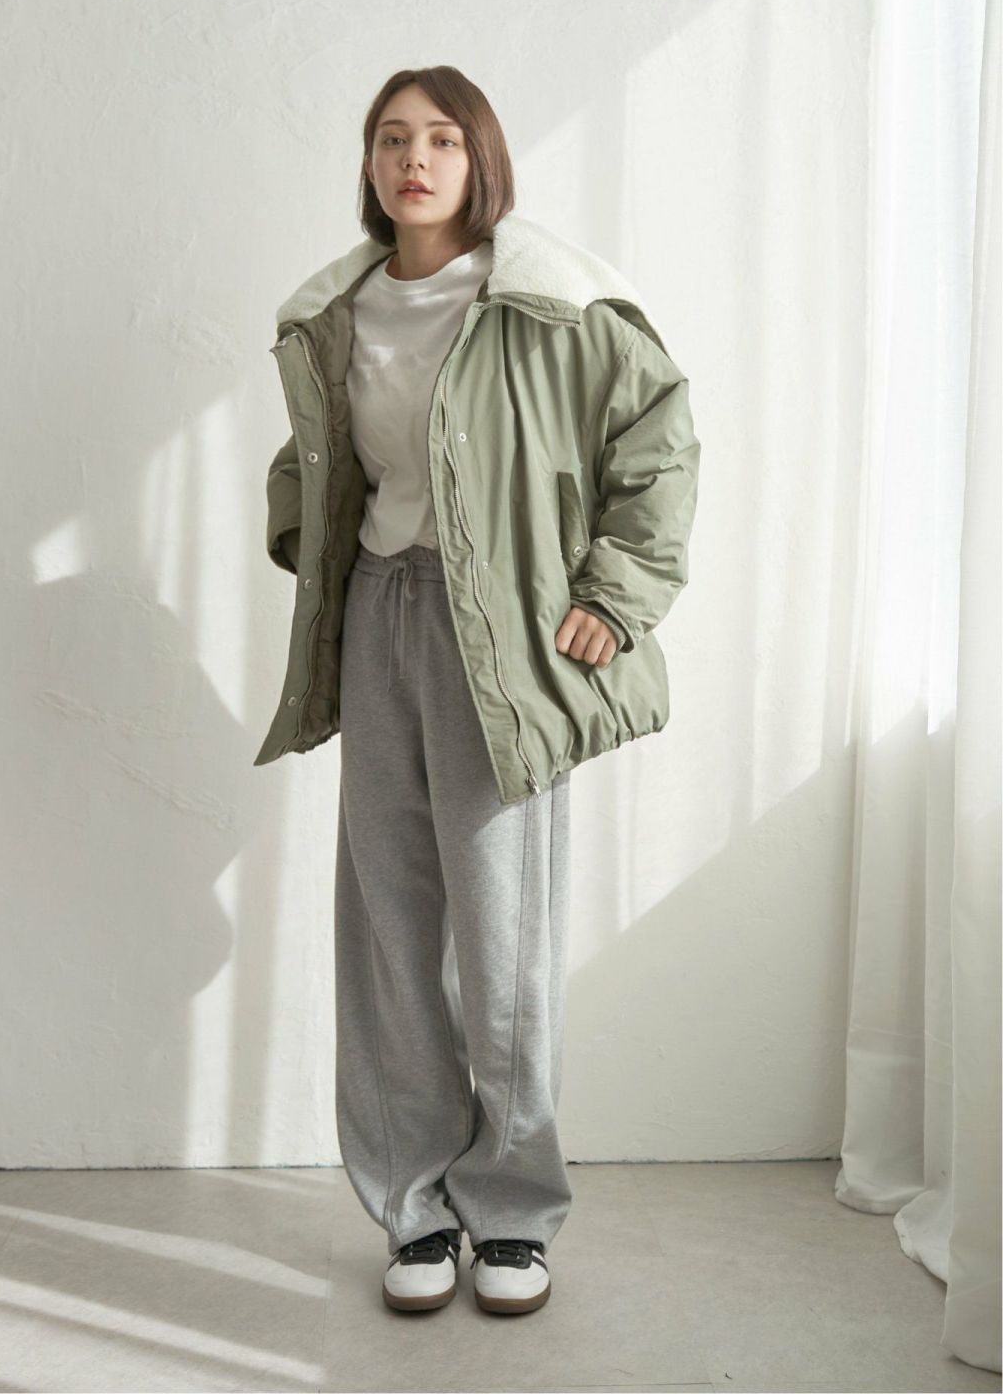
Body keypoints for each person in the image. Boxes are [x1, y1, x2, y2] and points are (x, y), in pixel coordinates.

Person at [255, 66, 699, 1316]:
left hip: (495, 635)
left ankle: (510, 1211)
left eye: (443, 138)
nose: (416, 159)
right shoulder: (338, 311)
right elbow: (314, 453)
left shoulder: (546, 302)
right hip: (379, 617)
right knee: (390, 927)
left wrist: (615, 594)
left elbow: (658, 434)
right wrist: (302, 534)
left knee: (503, 936)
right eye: (393, 138)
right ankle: (416, 1209)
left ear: (480, 159)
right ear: (369, 162)